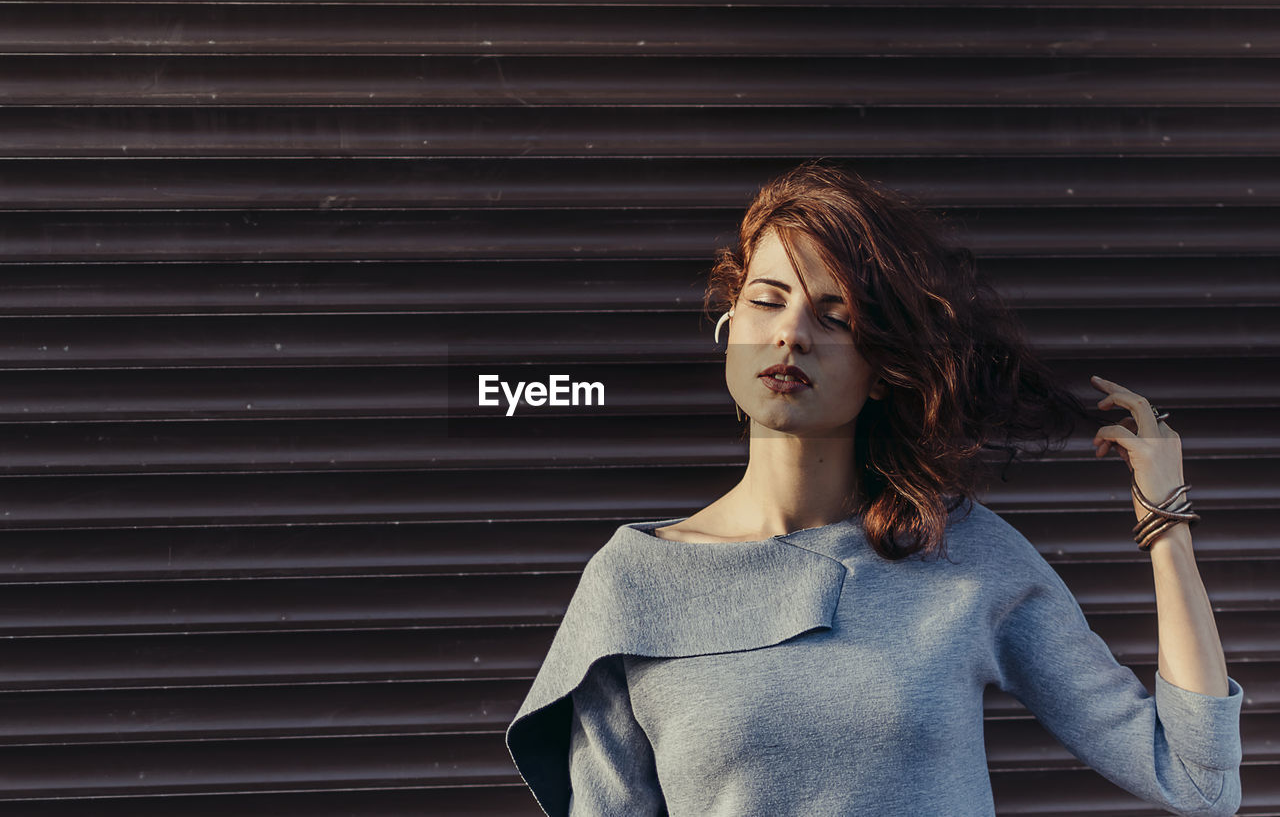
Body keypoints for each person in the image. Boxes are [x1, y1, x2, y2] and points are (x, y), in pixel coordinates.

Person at [505, 160, 1244, 816]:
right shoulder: (635, 581)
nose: (791, 334)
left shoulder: (959, 551)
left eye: (836, 317)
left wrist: (1165, 524)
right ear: (730, 326)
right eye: (767, 300)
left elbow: (1198, 780)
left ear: (885, 365)